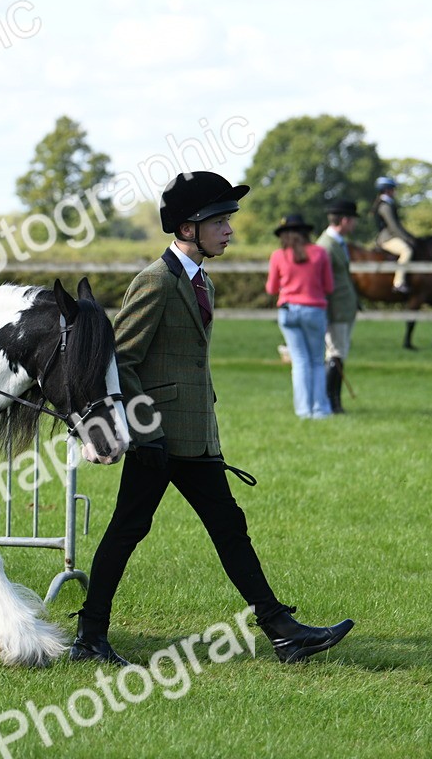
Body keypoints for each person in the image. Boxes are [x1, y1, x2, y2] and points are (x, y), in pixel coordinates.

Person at [69, 171, 354, 666]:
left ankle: (282, 631)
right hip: (157, 441)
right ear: (187, 228)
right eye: (219, 222)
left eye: (228, 221)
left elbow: (190, 363)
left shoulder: (202, 282)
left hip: (196, 438)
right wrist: (147, 432)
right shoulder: (155, 283)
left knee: (229, 528)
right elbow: (124, 362)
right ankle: (90, 637)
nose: (229, 230)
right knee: (126, 532)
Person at [266, 214, 334, 419]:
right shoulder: (319, 253)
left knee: (300, 362)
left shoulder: (278, 255)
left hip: (288, 311)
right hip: (314, 310)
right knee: (316, 360)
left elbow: (271, 288)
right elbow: (329, 286)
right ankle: (320, 409)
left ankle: (303, 410)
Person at [317, 201, 360, 413]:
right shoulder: (326, 246)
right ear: (344, 220)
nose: (354, 225)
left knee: (338, 353)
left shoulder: (338, 242)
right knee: (335, 354)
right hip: (336, 310)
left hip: (344, 308)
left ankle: (333, 401)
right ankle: (331, 402)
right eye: (353, 220)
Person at [371, 176, 414, 294]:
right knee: (407, 251)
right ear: (387, 190)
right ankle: (398, 283)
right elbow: (394, 227)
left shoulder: (387, 204)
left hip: (391, 236)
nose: (394, 192)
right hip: (387, 238)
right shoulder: (385, 206)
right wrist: (407, 239)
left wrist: (410, 236)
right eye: (393, 189)